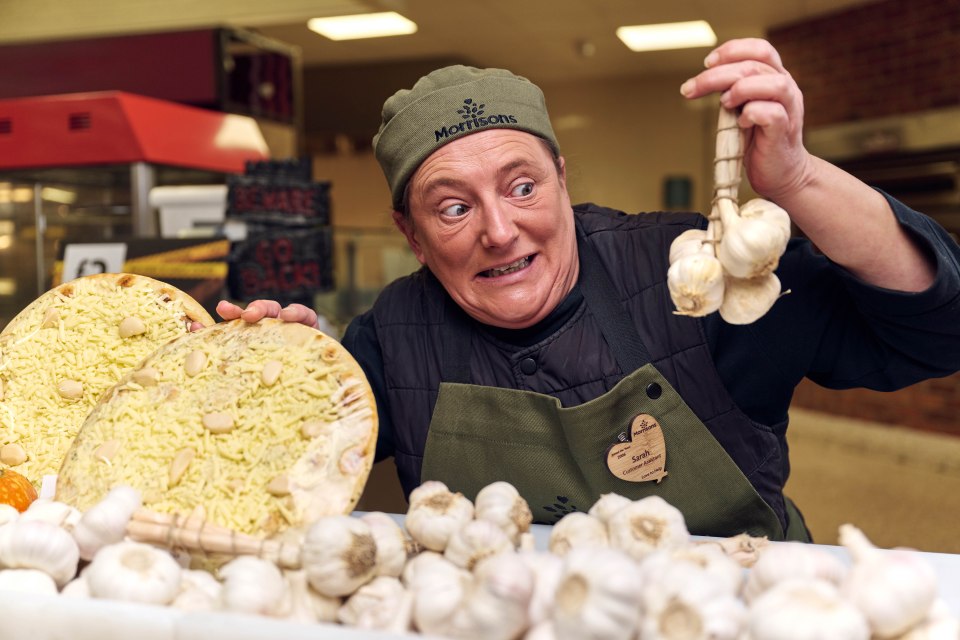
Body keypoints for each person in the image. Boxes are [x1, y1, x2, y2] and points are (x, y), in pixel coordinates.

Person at [216, 38, 960, 541]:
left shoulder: (690, 271)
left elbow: (936, 330)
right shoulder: (390, 334)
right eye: (452, 207)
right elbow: (277, 478)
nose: (500, 230)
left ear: (563, 181)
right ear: (409, 234)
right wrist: (281, 379)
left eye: (523, 186)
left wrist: (796, 178)